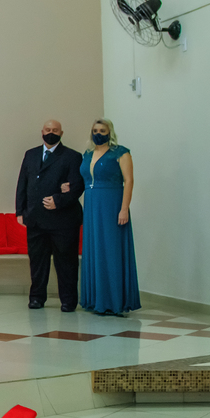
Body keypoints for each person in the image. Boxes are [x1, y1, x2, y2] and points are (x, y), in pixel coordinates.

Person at [15, 119, 84, 312]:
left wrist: (58, 200)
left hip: (63, 220)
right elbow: (23, 183)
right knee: (37, 262)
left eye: (55, 130)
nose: (50, 132)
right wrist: (20, 211)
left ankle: (68, 300)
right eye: (48, 129)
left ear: (61, 133)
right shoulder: (31, 154)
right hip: (36, 219)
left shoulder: (72, 156)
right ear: (42, 132)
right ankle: (36, 298)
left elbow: (77, 186)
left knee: (66, 263)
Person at [78, 118, 139, 316]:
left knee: (111, 249)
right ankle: (95, 299)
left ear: (109, 132)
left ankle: (115, 300)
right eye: (95, 130)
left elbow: (128, 181)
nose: (98, 133)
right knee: (94, 250)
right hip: (92, 206)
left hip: (112, 204)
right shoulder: (87, 154)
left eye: (102, 130)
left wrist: (124, 208)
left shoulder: (121, 152)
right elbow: (85, 180)